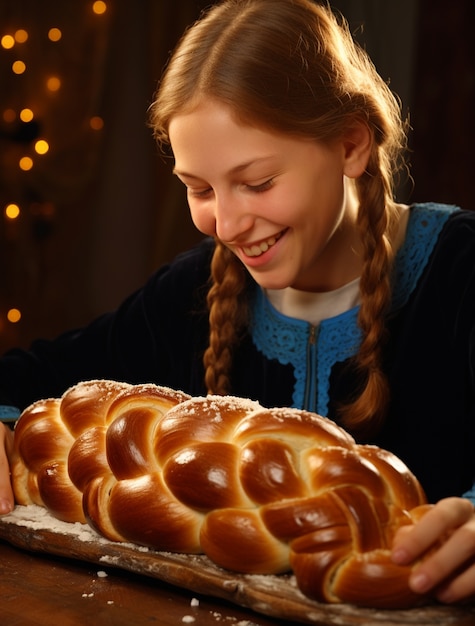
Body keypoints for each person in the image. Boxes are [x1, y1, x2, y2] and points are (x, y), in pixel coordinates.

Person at [1, 0, 475, 605]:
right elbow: (27, 376)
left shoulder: (462, 272)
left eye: (257, 183)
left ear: (351, 144)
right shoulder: (191, 293)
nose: (225, 223)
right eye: (198, 189)